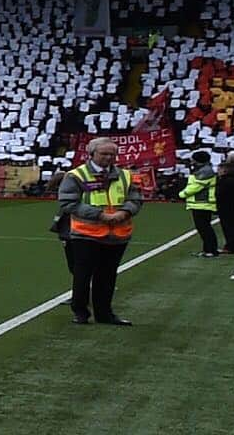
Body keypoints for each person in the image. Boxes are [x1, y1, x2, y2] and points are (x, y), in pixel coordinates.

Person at [58, 137, 143, 326]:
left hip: (117, 234)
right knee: (82, 275)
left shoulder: (126, 175)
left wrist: (125, 211)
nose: (109, 158)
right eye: (104, 154)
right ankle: (80, 312)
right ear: (92, 154)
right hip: (86, 233)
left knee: (107, 275)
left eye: (112, 154)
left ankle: (104, 313)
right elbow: (68, 203)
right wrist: (100, 215)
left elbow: (136, 198)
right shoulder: (76, 175)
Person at [179, 151, 218, 257]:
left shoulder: (205, 172)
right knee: (204, 228)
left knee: (204, 228)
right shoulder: (204, 170)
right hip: (200, 203)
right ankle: (208, 250)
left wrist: (183, 194)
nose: (191, 161)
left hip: (202, 204)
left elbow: (196, 187)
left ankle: (211, 250)